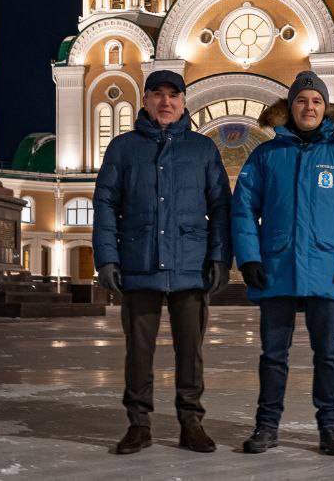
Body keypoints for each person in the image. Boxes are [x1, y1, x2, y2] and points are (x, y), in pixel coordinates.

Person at [231, 71, 334, 457]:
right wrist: (248, 257)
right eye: (301, 100)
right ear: (289, 107)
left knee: (328, 355)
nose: (308, 107)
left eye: (316, 101)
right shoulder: (265, 155)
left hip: (328, 271)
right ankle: (267, 426)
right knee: (272, 355)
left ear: (325, 108)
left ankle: (329, 427)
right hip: (277, 269)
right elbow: (243, 209)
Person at [92, 70, 232, 455]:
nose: (165, 102)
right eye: (157, 94)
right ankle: (139, 424)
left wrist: (220, 256)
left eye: (173, 95)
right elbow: (105, 203)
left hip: (191, 266)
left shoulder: (202, 150)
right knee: (139, 350)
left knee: (191, 350)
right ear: (145, 101)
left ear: (184, 102)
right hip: (139, 265)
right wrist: (106, 257)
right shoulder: (123, 149)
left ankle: (191, 422)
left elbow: (221, 206)